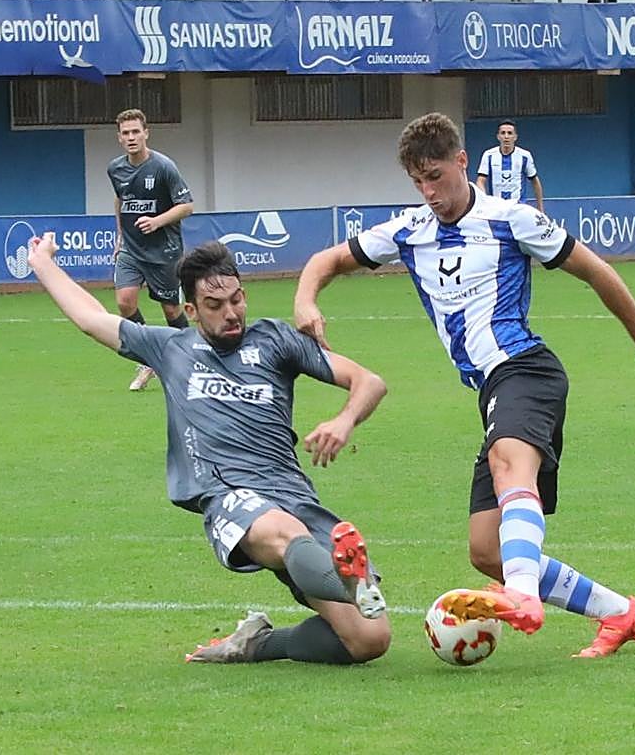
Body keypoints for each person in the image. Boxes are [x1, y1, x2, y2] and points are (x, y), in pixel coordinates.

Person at [294, 112, 635, 657]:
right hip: (491, 389)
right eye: (418, 182)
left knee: (506, 464)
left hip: (525, 369)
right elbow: (326, 260)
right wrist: (306, 301)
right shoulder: (408, 231)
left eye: (436, 177)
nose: (430, 193)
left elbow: (596, 271)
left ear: (461, 162)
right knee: (487, 548)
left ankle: (521, 595)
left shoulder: (510, 219)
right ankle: (621, 614)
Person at [27, 235, 392, 664]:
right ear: (191, 311)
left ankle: (256, 643)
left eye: (236, 299)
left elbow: (370, 382)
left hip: (292, 493)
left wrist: (343, 420)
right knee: (285, 534)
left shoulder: (275, 341)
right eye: (215, 306)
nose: (231, 313)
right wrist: (42, 263)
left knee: (369, 639)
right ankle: (346, 580)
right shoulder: (170, 348)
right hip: (229, 495)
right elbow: (91, 318)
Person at [108, 108, 196, 392]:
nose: (131, 137)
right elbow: (120, 200)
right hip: (132, 250)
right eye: (126, 133)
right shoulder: (115, 169)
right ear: (119, 138)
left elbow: (187, 206)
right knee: (124, 302)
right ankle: (149, 360)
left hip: (165, 250)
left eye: (136, 131)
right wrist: (121, 236)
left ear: (146, 133)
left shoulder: (163, 167)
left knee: (171, 310)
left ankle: (194, 358)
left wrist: (157, 221)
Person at [475, 119, 545, 211]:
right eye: (503, 133)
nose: (506, 136)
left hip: (518, 208)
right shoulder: (488, 155)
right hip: (496, 209)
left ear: (515, 137)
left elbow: (535, 181)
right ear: (498, 136)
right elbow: (480, 181)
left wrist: (540, 208)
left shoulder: (525, 156)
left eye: (510, 133)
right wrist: (485, 201)